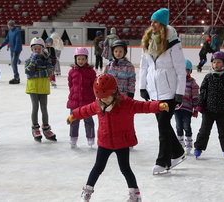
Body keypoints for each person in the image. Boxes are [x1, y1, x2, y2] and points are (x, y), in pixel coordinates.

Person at [66, 73, 169, 202]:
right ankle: (87, 192)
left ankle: (135, 195)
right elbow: (85, 110)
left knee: (125, 168)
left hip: (122, 142)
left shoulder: (126, 103)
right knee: (98, 167)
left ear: (114, 92)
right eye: (101, 98)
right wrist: (74, 115)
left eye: (107, 97)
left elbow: (143, 106)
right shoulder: (98, 104)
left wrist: (158, 106)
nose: (104, 100)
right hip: (105, 142)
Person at [139, 8, 186, 174]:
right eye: (152, 21)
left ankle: (163, 161)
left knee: (162, 127)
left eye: (156, 21)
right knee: (164, 125)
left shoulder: (173, 43)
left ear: (163, 24)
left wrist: (180, 92)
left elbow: (180, 70)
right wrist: (143, 86)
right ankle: (178, 153)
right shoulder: (147, 41)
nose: (152, 24)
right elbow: (144, 66)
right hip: (153, 91)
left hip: (169, 92)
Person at [193, 51, 224, 159]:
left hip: (222, 111)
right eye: (214, 62)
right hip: (208, 110)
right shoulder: (208, 77)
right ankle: (198, 148)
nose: (216, 64)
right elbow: (202, 92)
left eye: (219, 62)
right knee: (204, 131)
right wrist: (200, 105)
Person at [25, 37, 57, 142]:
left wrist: (38, 72)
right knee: (35, 107)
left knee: (44, 108)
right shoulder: (29, 60)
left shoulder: (46, 59)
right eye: (35, 49)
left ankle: (46, 128)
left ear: (43, 48)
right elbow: (29, 71)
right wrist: (34, 62)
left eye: (39, 48)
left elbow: (50, 72)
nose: (37, 51)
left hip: (43, 86)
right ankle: (35, 128)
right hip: (33, 87)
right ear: (32, 49)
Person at [67, 47, 97, 148]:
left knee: (88, 120)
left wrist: (93, 98)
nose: (81, 61)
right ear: (75, 59)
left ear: (86, 59)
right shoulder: (72, 72)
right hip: (74, 101)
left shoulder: (91, 72)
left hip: (87, 101)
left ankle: (90, 137)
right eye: (79, 59)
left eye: (83, 59)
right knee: (74, 121)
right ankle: (73, 138)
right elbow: (70, 85)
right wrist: (73, 94)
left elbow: (94, 86)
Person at [174, 59, 199, 155]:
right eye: (183, 69)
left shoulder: (192, 83)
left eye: (187, 70)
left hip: (187, 109)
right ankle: (180, 144)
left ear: (190, 71)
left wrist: (195, 109)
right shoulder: (175, 81)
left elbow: (196, 97)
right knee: (178, 126)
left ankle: (188, 144)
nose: (185, 72)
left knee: (186, 126)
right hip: (177, 108)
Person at [0, 20, 22, 84]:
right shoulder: (10, 31)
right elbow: (6, 40)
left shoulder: (17, 31)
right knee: (13, 63)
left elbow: (18, 41)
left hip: (16, 50)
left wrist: (16, 50)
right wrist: (1, 46)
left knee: (13, 63)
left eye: (8, 25)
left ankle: (16, 78)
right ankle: (16, 77)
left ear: (10, 25)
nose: (7, 26)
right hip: (12, 50)